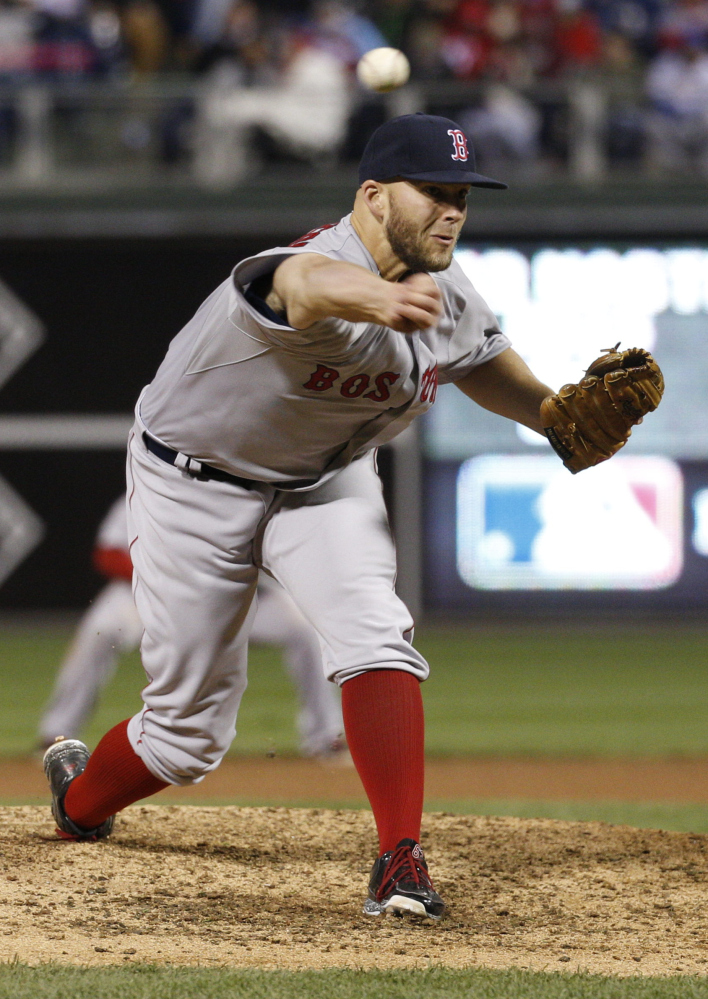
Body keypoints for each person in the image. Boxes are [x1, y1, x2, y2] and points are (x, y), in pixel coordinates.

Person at [44, 112, 555, 921]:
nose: (452, 210)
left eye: (461, 195)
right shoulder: (310, 265)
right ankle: (78, 801)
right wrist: (380, 297)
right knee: (186, 736)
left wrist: (555, 414)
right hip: (195, 482)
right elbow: (304, 289)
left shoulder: (447, 290)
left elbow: (482, 360)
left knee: (373, 630)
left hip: (326, 478)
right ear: (374, 196)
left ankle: (400, 860)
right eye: (433, 193)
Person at [38, 495, 347, 761]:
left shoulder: (259, 496)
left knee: (303, 628)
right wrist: (166, 577)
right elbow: (108, 554)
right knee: (101, 631)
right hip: (151, 592)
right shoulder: (155, 488)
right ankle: (56, 735)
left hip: (234, 594)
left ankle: (326, 738)